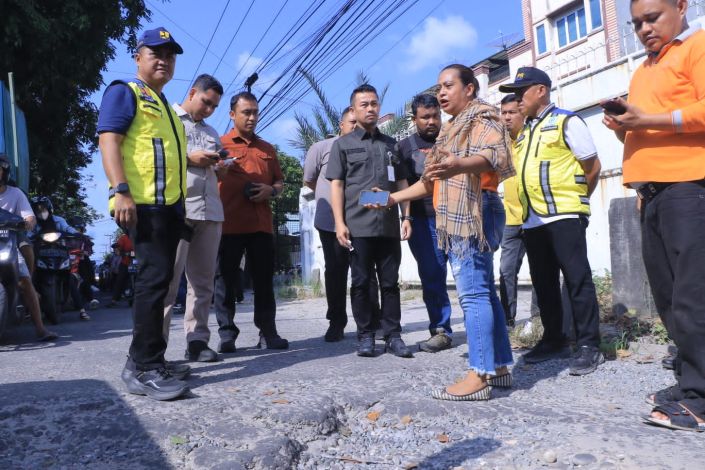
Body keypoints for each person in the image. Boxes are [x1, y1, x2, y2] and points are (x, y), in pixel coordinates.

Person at [377, 64, 514, 399]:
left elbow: (496, 155)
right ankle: (497, 368)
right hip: (460, 211)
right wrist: (391, 197)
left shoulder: (483, 117)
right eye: (439, 87)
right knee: (484, 292)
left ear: (469, 88)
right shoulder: (451, 130)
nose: (441, 92)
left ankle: (479, 374)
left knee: (474, 294)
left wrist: (460, 165)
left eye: (448, 85)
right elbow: (430, 182)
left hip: (475, 209)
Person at [603, 0, 705, 432]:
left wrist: (649, 118)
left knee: (693, 299)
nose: (644, 29)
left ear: (681, 6)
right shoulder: (645, 69)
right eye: (636, 23)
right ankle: (689, 383)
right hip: (653, 194)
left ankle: (701, 400)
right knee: (667, 299)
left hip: (690, 187)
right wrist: (629, 125)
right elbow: (652, 124)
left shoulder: (696, 46)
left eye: (653, 18)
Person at [97, 26, 189, 401]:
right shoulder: (126, 91)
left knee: (162, 282)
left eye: (170, 54)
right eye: (156, 52)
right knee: (153, 283)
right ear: (138, 56)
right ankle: (144, 368)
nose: (164, 60)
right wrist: (120, 191)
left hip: (167, 207)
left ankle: (151, 358)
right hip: (142, 205)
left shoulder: (165, 104)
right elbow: (109, 139)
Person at [499, 67, 603, 375]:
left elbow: (592, 166)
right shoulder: (525, 131)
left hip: (564, 214)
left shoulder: (566, 121)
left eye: (522, 92)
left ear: (541, 90)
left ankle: (588, 344)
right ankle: (554, 338)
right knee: (543, 283)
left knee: (576, 279)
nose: (518, 100)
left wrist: (577, 202)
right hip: (532, 220)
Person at [327, 83, 414, 358]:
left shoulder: (392, 145)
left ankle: (393, 335)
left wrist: (406, 216)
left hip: (388, 226)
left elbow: (402, 181)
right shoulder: (342, 145)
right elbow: (337, 186)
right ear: (353, 110)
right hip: (358, 226)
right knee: (361, 283)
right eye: (364, 105)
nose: (370, 109)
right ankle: (365, 336)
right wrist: (340, 223)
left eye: (374, 103)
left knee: (390, 283)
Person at [216, 91, 288, 352]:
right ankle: (227, 334)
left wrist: (272, 191)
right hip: (228, 224)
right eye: (247, 112)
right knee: (224, 280)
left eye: (255, 112)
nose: (252, 117)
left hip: (261, 225)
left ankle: (268, 333)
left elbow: (279, 182)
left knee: (264, 282)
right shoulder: (220, 145)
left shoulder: (267, 148)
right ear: (232, 114)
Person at [161, 74, 225, 363]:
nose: (209, 110)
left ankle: (197, 341)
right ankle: (155, 347)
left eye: (214, 106)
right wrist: (190, 158)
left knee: (202, 284)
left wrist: (220, 166)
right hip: (179, 209)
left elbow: (212, 169)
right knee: (167, 281)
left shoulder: (212, 131)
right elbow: (159, 156)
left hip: (210, 212)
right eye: (206, 102)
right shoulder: (169, 120)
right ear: (192, 92)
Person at [303, 108, 381, 342]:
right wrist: (332, 201)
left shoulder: (370, 147)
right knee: (336, 272)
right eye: (351, 122)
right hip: (329, 222)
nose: (355, 127)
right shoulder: (321, 148)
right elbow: (309, 179)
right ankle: (336, 322)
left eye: (359, 124)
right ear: (341, 124)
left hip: (362, 220)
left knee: (366, 273)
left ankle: (371, 322)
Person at [397, 94, 453, 353]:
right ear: (414, 119)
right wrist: (406, 217)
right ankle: (440, 330)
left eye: (436, 116)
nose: (432, 122)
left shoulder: (453, 138)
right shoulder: (405, 147)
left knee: (470, 277)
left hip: (456, 217)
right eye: (425, 117)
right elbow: (403, 185)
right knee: (433, 276)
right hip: (423, 222)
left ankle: (482, 329)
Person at [0, 154, 57, 341]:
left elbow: (30, 218)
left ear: (4, 172)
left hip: (8, 240)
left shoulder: (15, 194)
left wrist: (27, 222)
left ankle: (40, 329)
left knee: (24, 280)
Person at [498, 94, 528, 327]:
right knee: (506, 270)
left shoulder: (532, 137)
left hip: (536, 216)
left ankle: (539, 320)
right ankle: (507, 321)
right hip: (511, 218)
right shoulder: (501, 143)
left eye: (511, 112)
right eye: (504, 112)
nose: (506, 117)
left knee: (541, 271)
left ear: (523, 112)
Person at [108, 231, 133, 305]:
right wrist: (118, 251)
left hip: (139, 263)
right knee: (119, 280)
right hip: (125, 263)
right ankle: (114, 300)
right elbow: (117, 246)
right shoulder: (123, 237)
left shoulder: (141, 236)